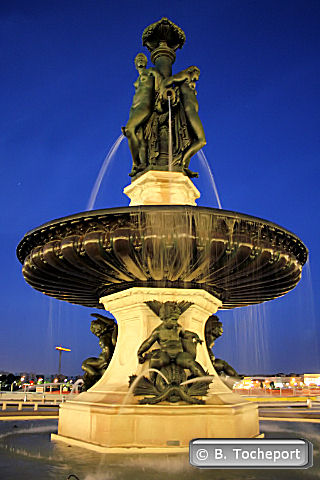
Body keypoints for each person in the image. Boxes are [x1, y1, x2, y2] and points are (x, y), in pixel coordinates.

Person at [137, 302, 205, 380]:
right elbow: (148, 343)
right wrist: (139, 353)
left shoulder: (178, 328)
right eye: (173, 320)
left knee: (190, 362)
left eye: (176, 320)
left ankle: (204, 379)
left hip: (179, 354)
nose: (175, 322)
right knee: (155, 361)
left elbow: (185, 334)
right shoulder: (158, 331)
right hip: (165, 354)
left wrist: (195, 336)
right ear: (165, 319)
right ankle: (153, 381)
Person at [160, 66, 206, 177]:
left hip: (191, 113)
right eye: (197, 74)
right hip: (188, 112)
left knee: (190, 141)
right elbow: (167, 81)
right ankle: (181, 162)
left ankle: (184, 165)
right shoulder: (185, 76)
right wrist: (163, 93)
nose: (197, 78)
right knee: (201, 140)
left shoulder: (189, 83)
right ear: (192, 71)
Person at [122, 53, 163, 176]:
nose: (140, 60)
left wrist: (159, 103)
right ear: (135, 64)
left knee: (130, 129)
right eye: (138, 59)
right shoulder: (136, 81)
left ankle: (135, 163)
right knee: (140, 137)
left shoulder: (151, 72)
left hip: (144, 106)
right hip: (134, 108)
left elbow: (160, 86)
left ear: (145, 62)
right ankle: (143, 163)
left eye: (142, 59)